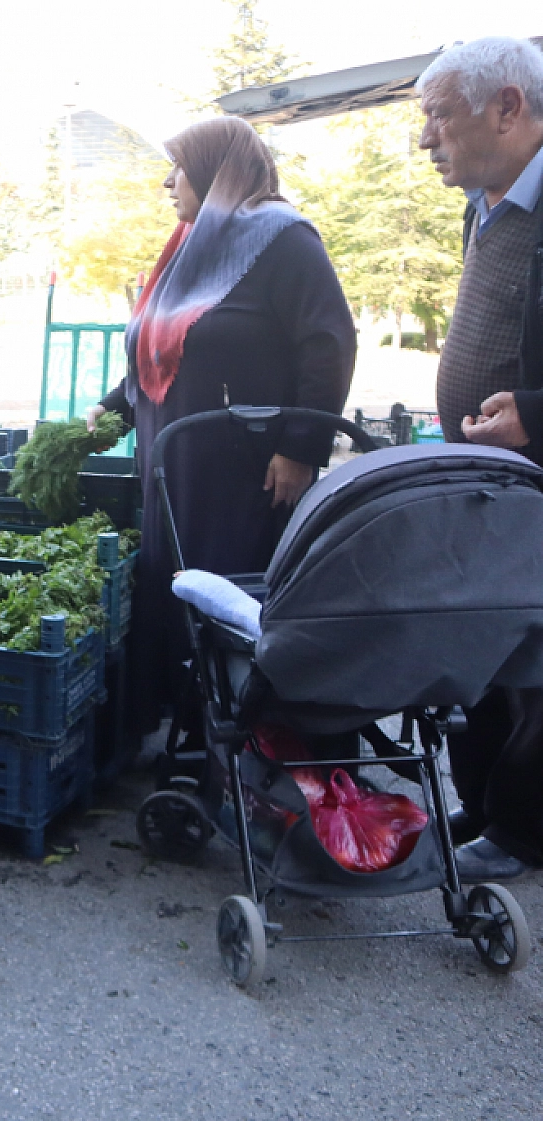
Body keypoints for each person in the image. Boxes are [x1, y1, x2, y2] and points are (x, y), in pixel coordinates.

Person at [88, 116, 355, 735]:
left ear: (213, 169)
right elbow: (160, 343)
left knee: (226, 586)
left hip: (243, 467)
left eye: (177, 168)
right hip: (175, 459)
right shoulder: (191, 244)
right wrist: (116, 405)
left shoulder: (282, 239)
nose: (167, 183)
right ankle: (183, 716)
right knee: (178, 576)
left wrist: (300, 447)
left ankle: (234, 730)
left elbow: (329, 344)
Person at [413, 37, 543, 881]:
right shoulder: (485, 206)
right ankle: (491, 805)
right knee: (489, 649)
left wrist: (534, 413)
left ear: (507, 107)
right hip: (490, 482)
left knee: (537, 664)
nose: (426, 139)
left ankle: (527, 829)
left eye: (438, 117)